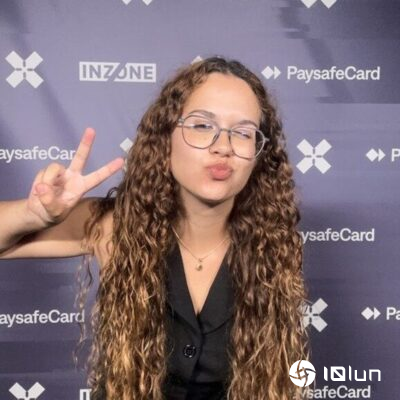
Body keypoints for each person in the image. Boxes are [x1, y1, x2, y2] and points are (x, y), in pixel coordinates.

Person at [0, 56, 310, 400]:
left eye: (242, 132)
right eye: (202, 125)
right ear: (166, 138)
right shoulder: (115, 226)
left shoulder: (272, 245)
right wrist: (34, 215)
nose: (223, 147)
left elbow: (286, 376)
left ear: (258, 152)